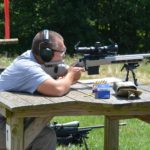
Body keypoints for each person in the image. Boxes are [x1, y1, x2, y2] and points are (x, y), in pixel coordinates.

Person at [0, 29, 84, 150]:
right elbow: (58, 89)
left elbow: (69, 73)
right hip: (4, 121)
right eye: (61, 51)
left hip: (8, 116)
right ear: (47, 53)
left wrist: (70, 74)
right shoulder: (27, 66)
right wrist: (69, 75)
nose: (64, 54)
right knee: (45, 136)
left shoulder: (36, 58)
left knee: (44, 133)